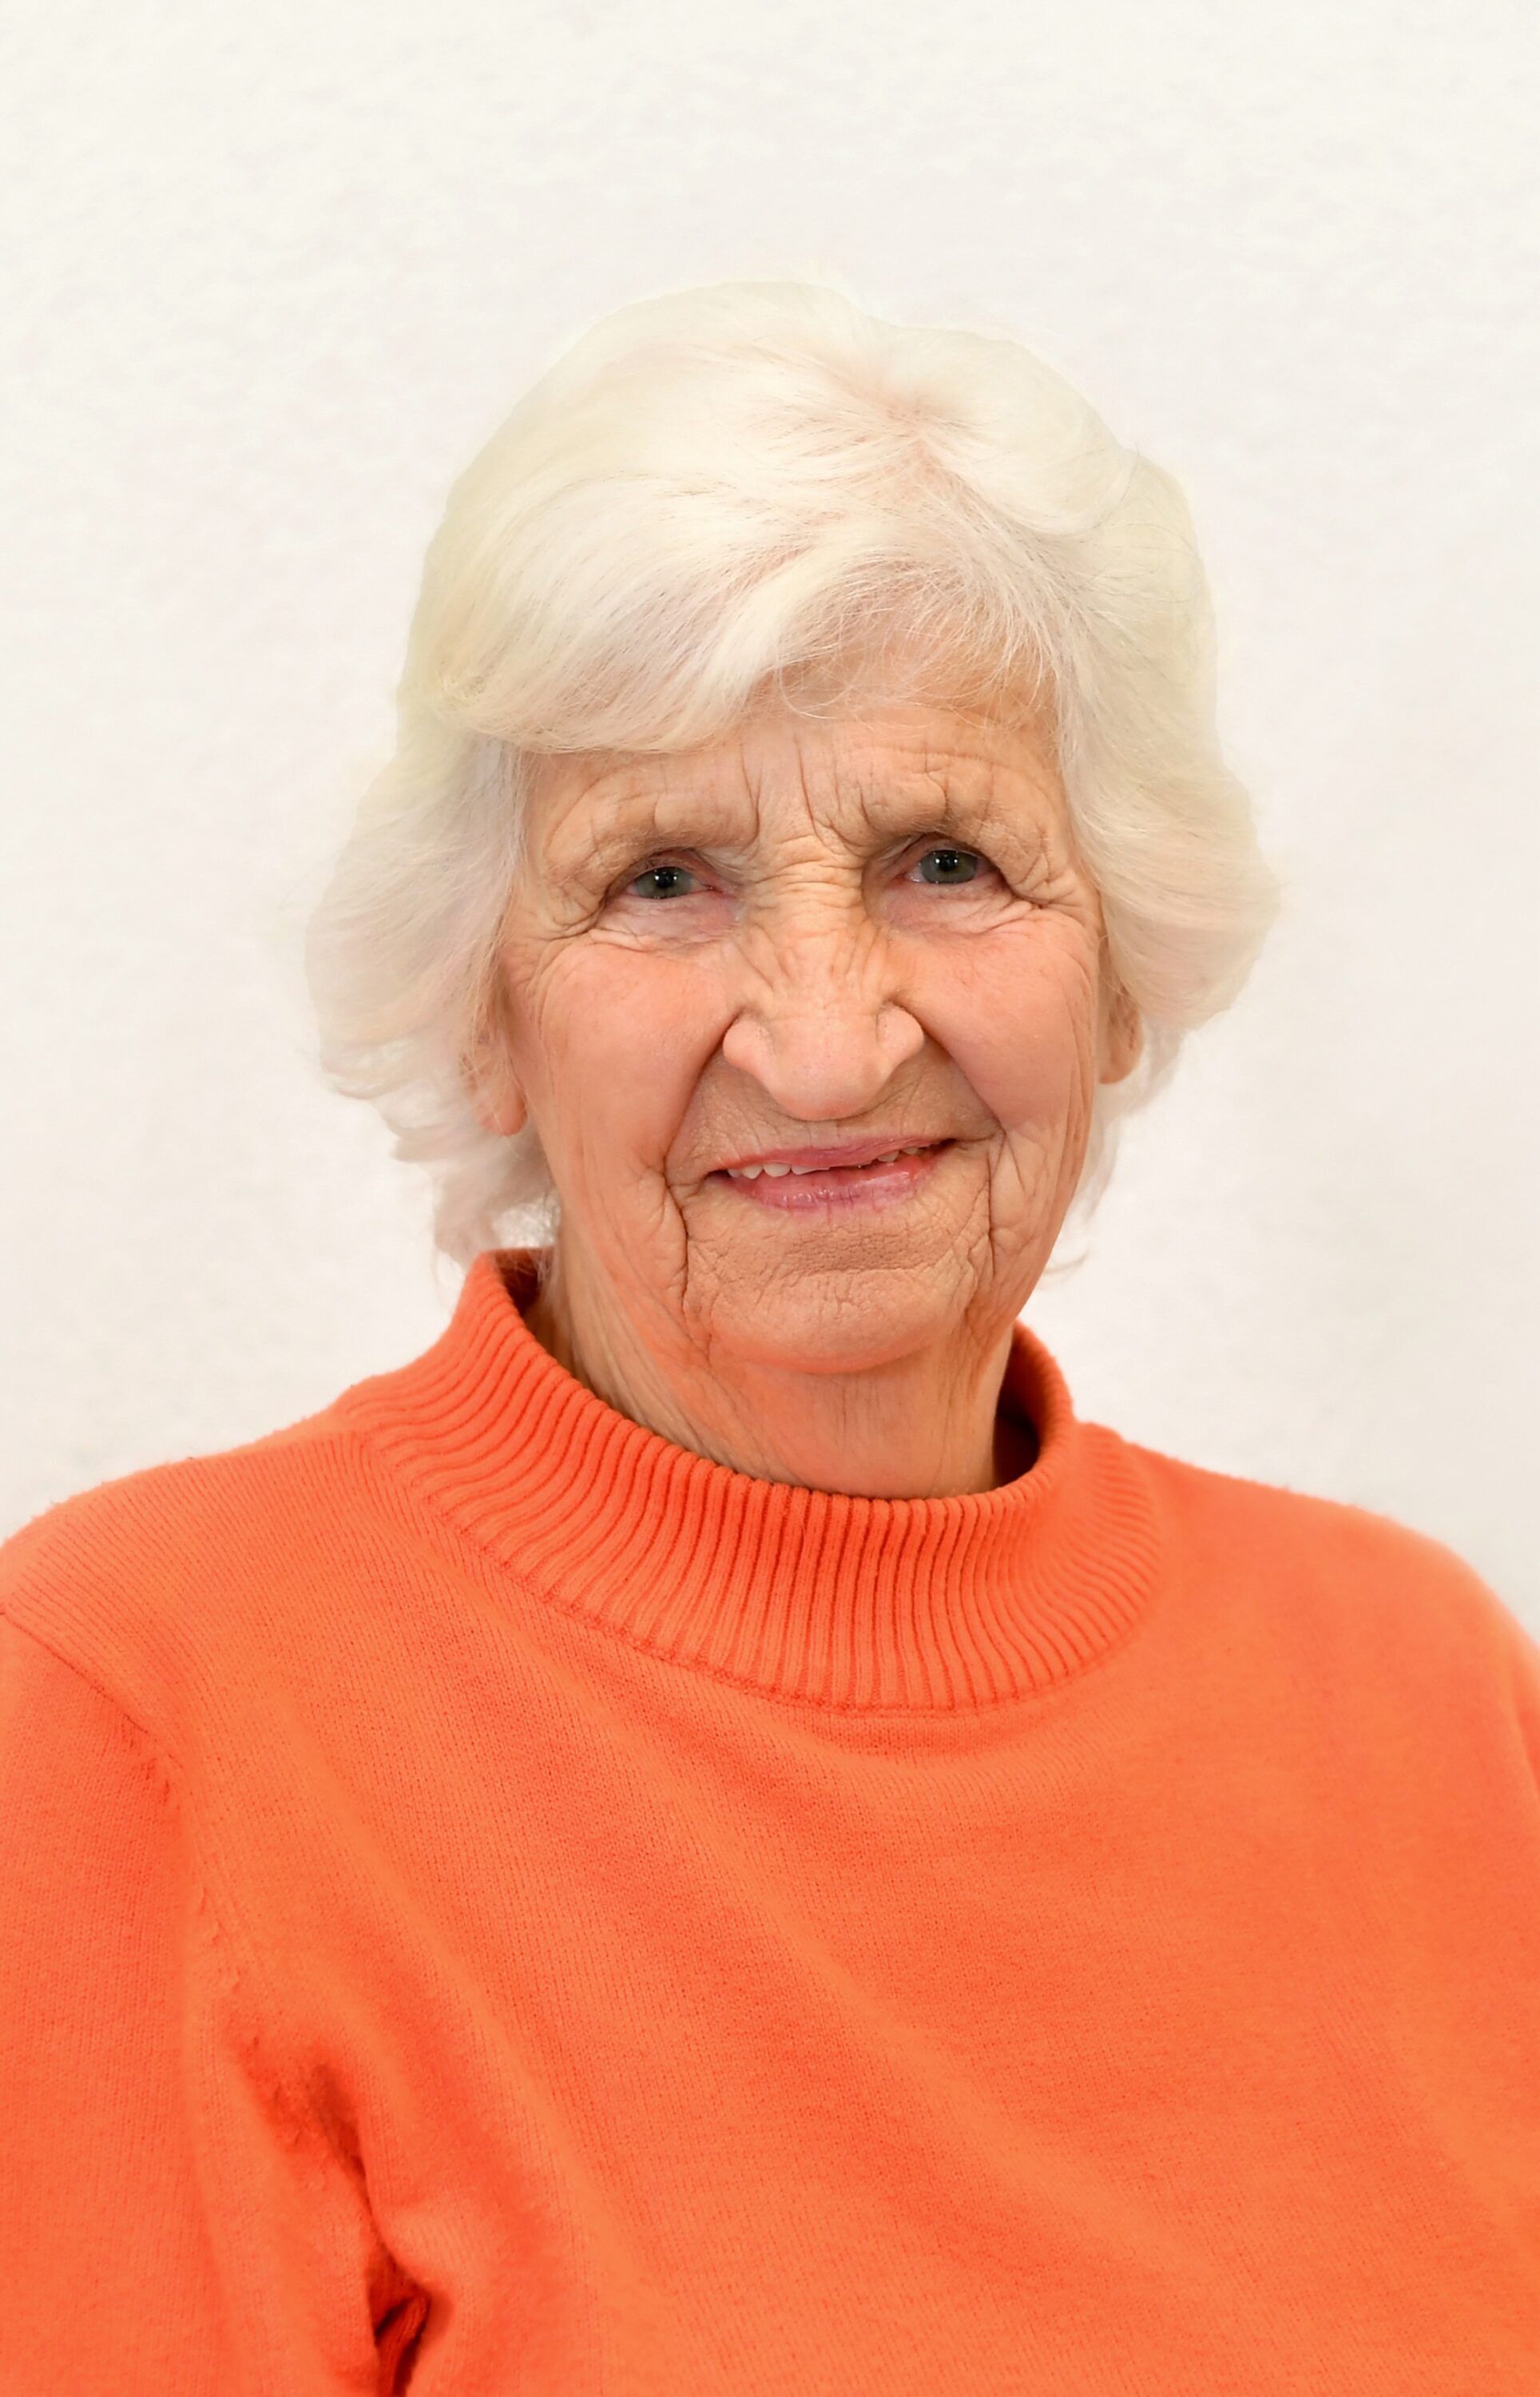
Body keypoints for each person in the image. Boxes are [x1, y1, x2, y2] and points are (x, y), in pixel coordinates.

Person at [2, 280, 1536, 2396]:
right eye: (662, 881)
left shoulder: (1430, 1690)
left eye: (945, 860)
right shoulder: (141, 1705)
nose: (825, 1046)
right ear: (487, 1008)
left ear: (1120, 970)